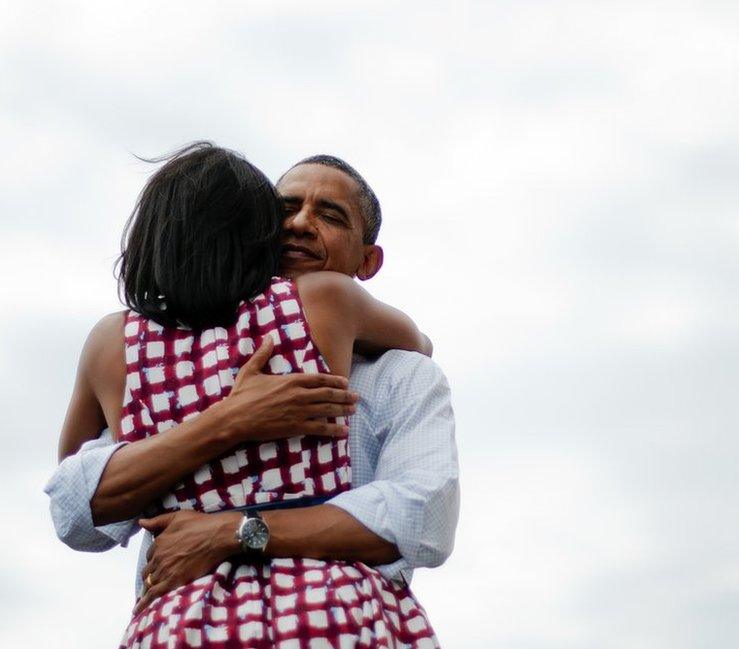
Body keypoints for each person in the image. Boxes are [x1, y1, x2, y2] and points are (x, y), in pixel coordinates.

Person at [50, 143, 455, 647]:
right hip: (332, 615)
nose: (300, 224)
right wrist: (232, 417)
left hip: (181, 622)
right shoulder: (330, 306)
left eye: (329, 216)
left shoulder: (130, 355)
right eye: (284, 209)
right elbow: (75, 507)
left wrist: (230, 531)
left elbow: (423, 517)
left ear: (368, 260)